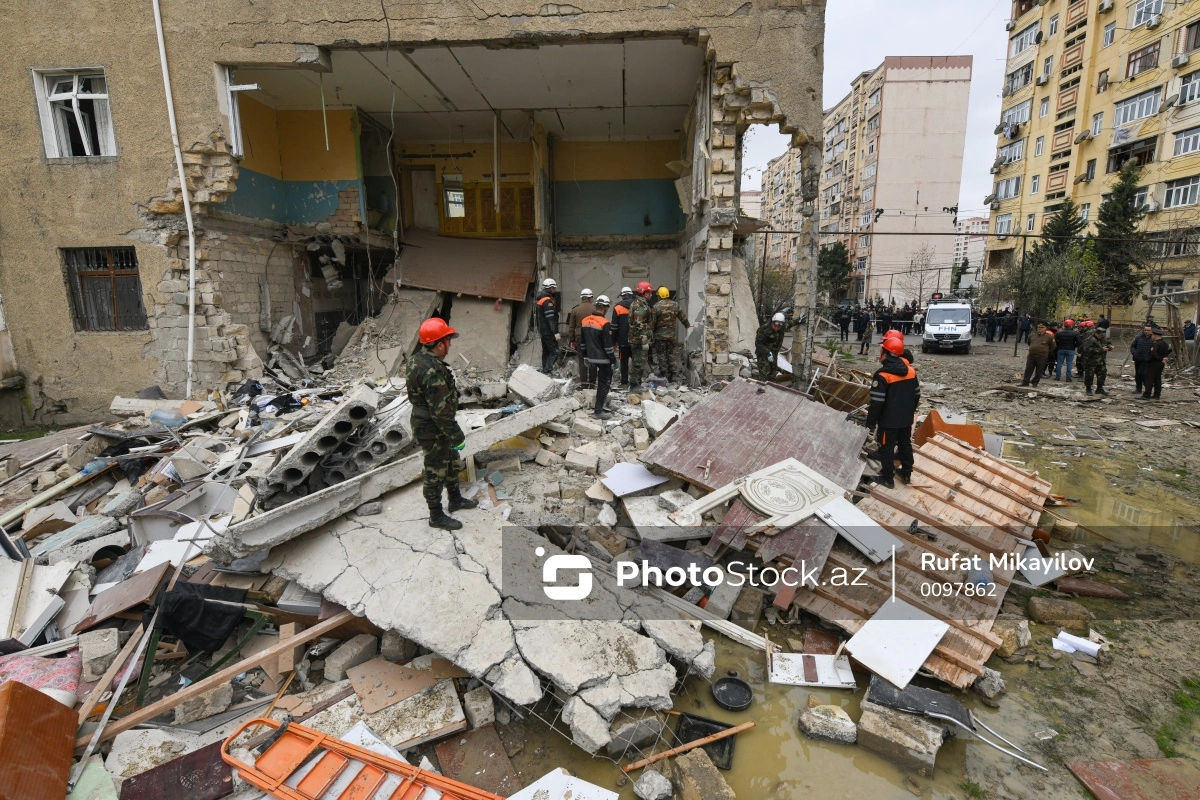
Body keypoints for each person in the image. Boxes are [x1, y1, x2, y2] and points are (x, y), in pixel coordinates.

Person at [406, 318, 478, 531]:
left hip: (433, 423)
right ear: (439, 344)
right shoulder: (432, 371)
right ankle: (436, 516)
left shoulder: (417, 359)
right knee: (435, 470)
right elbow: (441, 413)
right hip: (432, 427)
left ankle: (455, 499)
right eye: (448, 340)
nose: (450, 344)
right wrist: (457, 435)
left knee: (451, 462)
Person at [864, 336, 920, 488]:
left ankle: (888, 479)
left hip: (888, 421)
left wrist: (871, 422)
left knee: (886, 448)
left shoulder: (882, 375)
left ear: (885, 353)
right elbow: (916, 395)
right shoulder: (911, 371)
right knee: (905, 444)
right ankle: (906, 474)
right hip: (906, 418)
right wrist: (909, 412)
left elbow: (877, 402)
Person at [581, 295, 618, 418]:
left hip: (591, 357)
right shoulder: (605, 323)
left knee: (596, 381)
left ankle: (601, 404)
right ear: (605, 307)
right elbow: (608, 346)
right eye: (607, 307)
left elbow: (582, 342)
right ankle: (598, 411)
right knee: (604, 383)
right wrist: (613, 360)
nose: (608, 309)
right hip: (603, 359)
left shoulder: (585, 320)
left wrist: (585, 356)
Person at [650, 286, 690, 383]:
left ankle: (663, 373)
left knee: (661, 355)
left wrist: (650, 334)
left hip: (659, 336)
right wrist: (687, 325)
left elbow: (652, 322)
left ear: (659, 296)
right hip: (671, 335)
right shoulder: (675, 305)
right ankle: (672, 374)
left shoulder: (656, 307)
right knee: (671, 354)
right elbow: (683, 318)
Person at [627, 281, 655, 391]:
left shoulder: (638, 303)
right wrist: (644, 340)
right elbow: (639, 324)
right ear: (645, 293)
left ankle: (636, 383)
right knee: (638, 363)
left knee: (638, 362)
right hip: (638, 340)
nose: (651, 295)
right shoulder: (640, 306)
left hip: (637, 338)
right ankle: (634, 385)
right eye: (649, 292)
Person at [567, 288, 597, 389]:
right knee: (592, 359)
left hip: (580, 338)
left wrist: (572, 340)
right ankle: (592, 384)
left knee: (582, 361)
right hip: (592, 337)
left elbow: (571, 327)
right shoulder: (595, 309)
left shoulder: (575, 309)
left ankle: (584, 384)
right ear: (590, 298)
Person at [756, 311, 798, 381]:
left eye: (778, 327)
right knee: (764, 374)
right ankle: (762, 386)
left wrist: (798, 320)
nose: (776, 328)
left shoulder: (782, 327)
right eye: (775, 326)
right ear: (772, 322)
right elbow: (758, 344)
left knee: (772, 373)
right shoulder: (763, 329)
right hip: (763, 355)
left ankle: (771, 386)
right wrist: (767, 352)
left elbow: (790, 323)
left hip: (774, 353)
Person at [535, 278, 560, 374]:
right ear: (549, 288)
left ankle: (544, 370)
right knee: (554, 352)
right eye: (553, 288)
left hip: (543, 330)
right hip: (548, 331)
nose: (554, 290)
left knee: (546, 351)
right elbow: (550, 318)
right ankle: (547, 370)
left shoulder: (540, 299)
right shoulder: (547, 301)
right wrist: (555, 332)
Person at [1079, 323, 1112, 396]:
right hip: (1091, 361)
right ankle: (1088, 389)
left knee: (1102, 374)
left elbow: (1108, 343)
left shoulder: (1103, 339)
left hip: (1101, 361)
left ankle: (1099, 388)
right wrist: (1101, 349)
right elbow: (1088, 350)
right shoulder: (1090, 340)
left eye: (1103, 335)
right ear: (1097, 334)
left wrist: (1110, 346)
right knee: (1089, 375)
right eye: (1100, 335)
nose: (1102, 336)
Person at [1021, 322, 1055, 387]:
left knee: (1039, 370)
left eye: (1042, 328)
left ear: (1045, 328)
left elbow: (1052, 346)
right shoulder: (1032, 335)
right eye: (1039, 327)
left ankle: (1035, 383)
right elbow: (1029, 343)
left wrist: (1045, 351)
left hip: (1042, 356)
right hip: (1031, 355)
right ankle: (1025, 382)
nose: (1040, 329)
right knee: (1028, 369)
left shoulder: (1048, 337)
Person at [1143, 327, 1171, 400]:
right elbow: (1167, 352)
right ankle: (1157, 394)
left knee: (1149, 379)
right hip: (1160, 364)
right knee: (1157, 379)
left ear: (1155, 335)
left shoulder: (1156, 344)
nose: (1152, 336)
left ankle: (1147, 394)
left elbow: (1154, 354)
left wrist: (1148, 359)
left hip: (1153, 363)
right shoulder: (1165, 343)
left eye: (1152, 335)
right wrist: (1164, 359)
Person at [614, 286, 634, 387]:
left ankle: (624, 382)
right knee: (636, 362)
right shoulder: (637, 305)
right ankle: (635, 383)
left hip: (623, 341)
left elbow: (614, 327)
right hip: (636, 340)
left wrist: (613, 342)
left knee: (624, 362)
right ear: (631, 295)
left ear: (622, 296)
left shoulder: (617, 307)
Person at [1130, 323, 1155, 394]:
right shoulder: (1139, 338)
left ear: (1151, 331)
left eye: (1148, 330)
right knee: (1137, 374)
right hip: (1137, 358)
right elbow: (1133, 346)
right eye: (1145, 330)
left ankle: (1147, 387)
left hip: (1146, 360)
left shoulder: (1153, 339)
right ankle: (1138, 388)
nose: (1146, 331)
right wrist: (1134, 352)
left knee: (1142, 373)